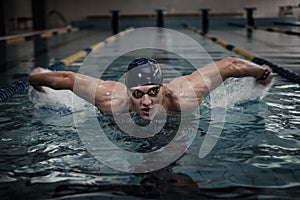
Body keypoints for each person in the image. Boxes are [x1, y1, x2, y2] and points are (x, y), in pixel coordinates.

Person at [29, 57, 272, 120]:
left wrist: (261, 73)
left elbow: (230, 65)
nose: (146, 102)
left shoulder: (183, 96)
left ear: (163, 89)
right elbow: (68, 78)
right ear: (128, 93)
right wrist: (36, 78)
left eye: (153, 92)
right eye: (138, 94)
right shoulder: (111, 100)